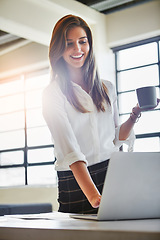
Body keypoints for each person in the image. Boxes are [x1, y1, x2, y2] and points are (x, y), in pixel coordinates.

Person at [42, 14, 159, 214]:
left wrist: (134, 115)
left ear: (90, 44)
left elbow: (114, 139)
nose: (77, 49)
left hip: (111, 173)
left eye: (82, 41)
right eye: (69, 43)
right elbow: (71, 152)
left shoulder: (107, 88)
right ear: (59, 49)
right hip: (76, 180)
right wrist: (94, 196)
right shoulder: (52, 94)